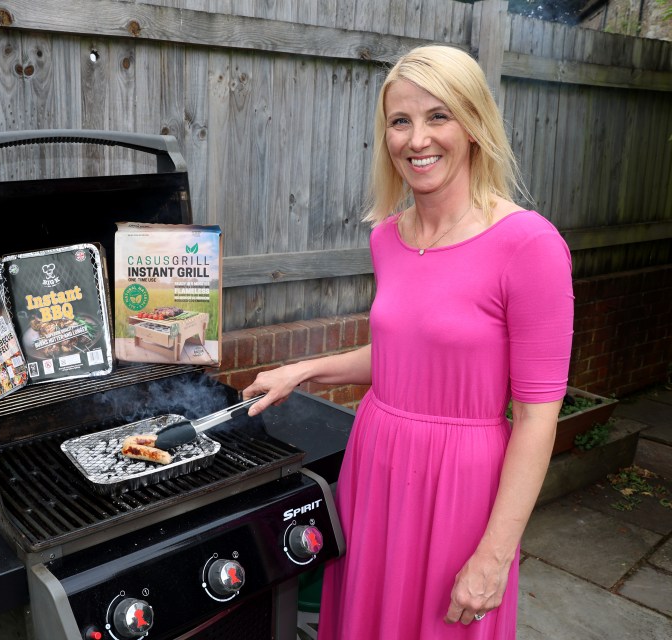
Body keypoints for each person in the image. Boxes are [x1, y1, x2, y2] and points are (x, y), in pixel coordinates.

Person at [243, 44, 574, 639]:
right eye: (401, 121)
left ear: (474, 125)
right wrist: (303, 370)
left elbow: (536, 417)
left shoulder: (529, 245)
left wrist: (495, 555)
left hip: (460, 491)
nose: (417, 139)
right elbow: (412, 355)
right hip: (375, 469)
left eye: (438, 116)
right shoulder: (390, 238)